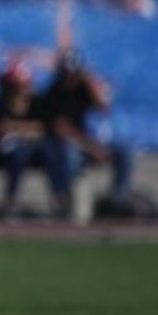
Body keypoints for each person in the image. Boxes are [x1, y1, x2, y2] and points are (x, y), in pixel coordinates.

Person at [41, 49, 134, 217]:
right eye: (67, 73)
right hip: (68, 144)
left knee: (123, 151)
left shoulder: (83, 89)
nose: (70, 78)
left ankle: (118, 200)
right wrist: (92, 147)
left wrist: (90, 82)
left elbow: (103, 107)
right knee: (69, 153)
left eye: (74, 74)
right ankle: (65, 200)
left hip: (86, 142)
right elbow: (63, 130)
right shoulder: (53, 93)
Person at [0, 59, 54, 217]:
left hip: (31, 152)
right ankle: (10, 200)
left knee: (50, 151)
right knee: (19, 153)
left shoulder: (37, 103)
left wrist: (18, 128)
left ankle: (59, 197)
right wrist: (28, 129)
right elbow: (1, 129)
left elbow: (44, 129)